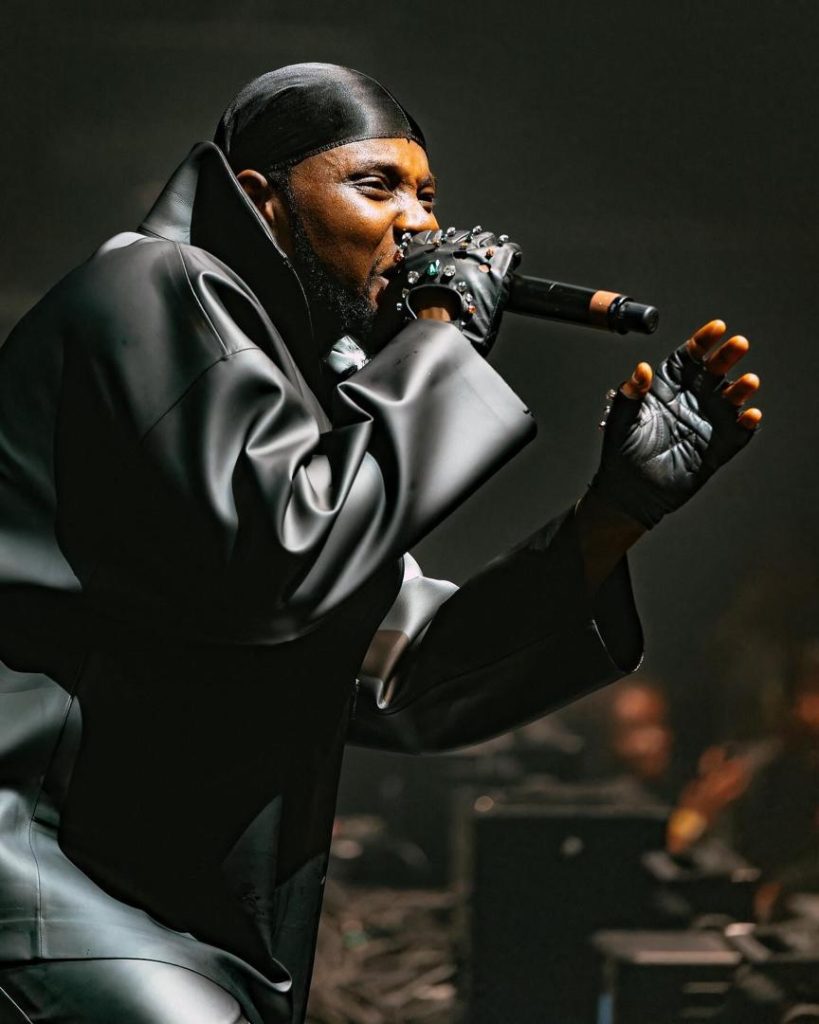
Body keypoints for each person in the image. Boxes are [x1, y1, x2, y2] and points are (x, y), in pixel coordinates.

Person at [0, 63, 762, 1023]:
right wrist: (442, 339)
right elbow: (285, 561)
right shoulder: (156, 281)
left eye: (428, 197)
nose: (418, 224)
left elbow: (406, 675)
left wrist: (616, 512)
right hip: (34, 853)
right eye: (376, 185)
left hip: (152, 892)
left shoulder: (303, 396)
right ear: (260, 200)